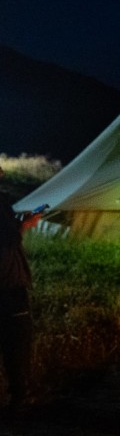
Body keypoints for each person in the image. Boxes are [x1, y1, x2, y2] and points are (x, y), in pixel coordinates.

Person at [1, 164, 42, 407]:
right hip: (8, 284)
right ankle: (20, 396)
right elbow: (7, 238)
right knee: (16, 339)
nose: (2, 174)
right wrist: (26, 224)